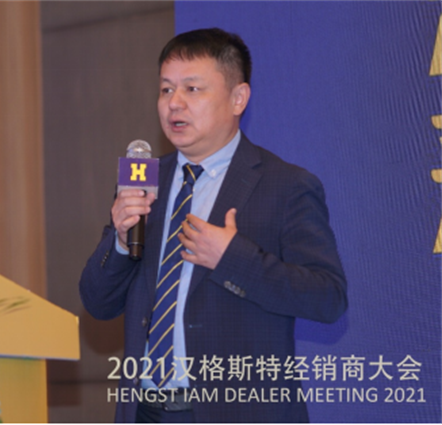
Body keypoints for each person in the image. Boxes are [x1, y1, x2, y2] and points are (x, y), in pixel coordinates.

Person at [79, 28, 347, 423]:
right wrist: (121, 241)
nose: (174, 103)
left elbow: (328, 298)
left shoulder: (285, 185)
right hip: (145, 412)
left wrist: (232, 258)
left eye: (192, 89)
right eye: (166, 90)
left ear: (238, 98)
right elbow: (98, 303)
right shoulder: (144, 181)